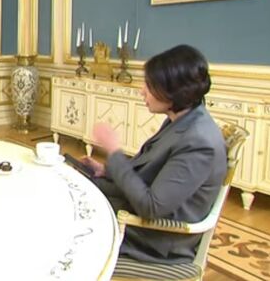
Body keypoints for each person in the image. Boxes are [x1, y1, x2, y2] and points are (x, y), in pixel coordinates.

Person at [80, 44, 226, 264]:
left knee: (66, 220)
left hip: (156, 239)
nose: (142, 90)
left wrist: (114, 151)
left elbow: (151, 207)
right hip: (136, 213)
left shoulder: (199, 142)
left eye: (149, 85)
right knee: (74, 189)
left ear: (173, 92)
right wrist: (106, 170)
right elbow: (149, 171)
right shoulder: (182, 119)